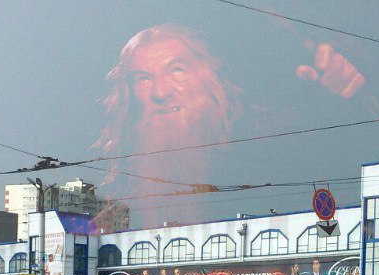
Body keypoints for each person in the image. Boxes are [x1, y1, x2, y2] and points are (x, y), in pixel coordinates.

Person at [94, 25, 363, 228]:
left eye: (177, 70)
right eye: (143, 79)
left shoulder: (264, 147)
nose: (160, 91)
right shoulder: (123, 179)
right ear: (129, 92)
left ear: (208, 72)